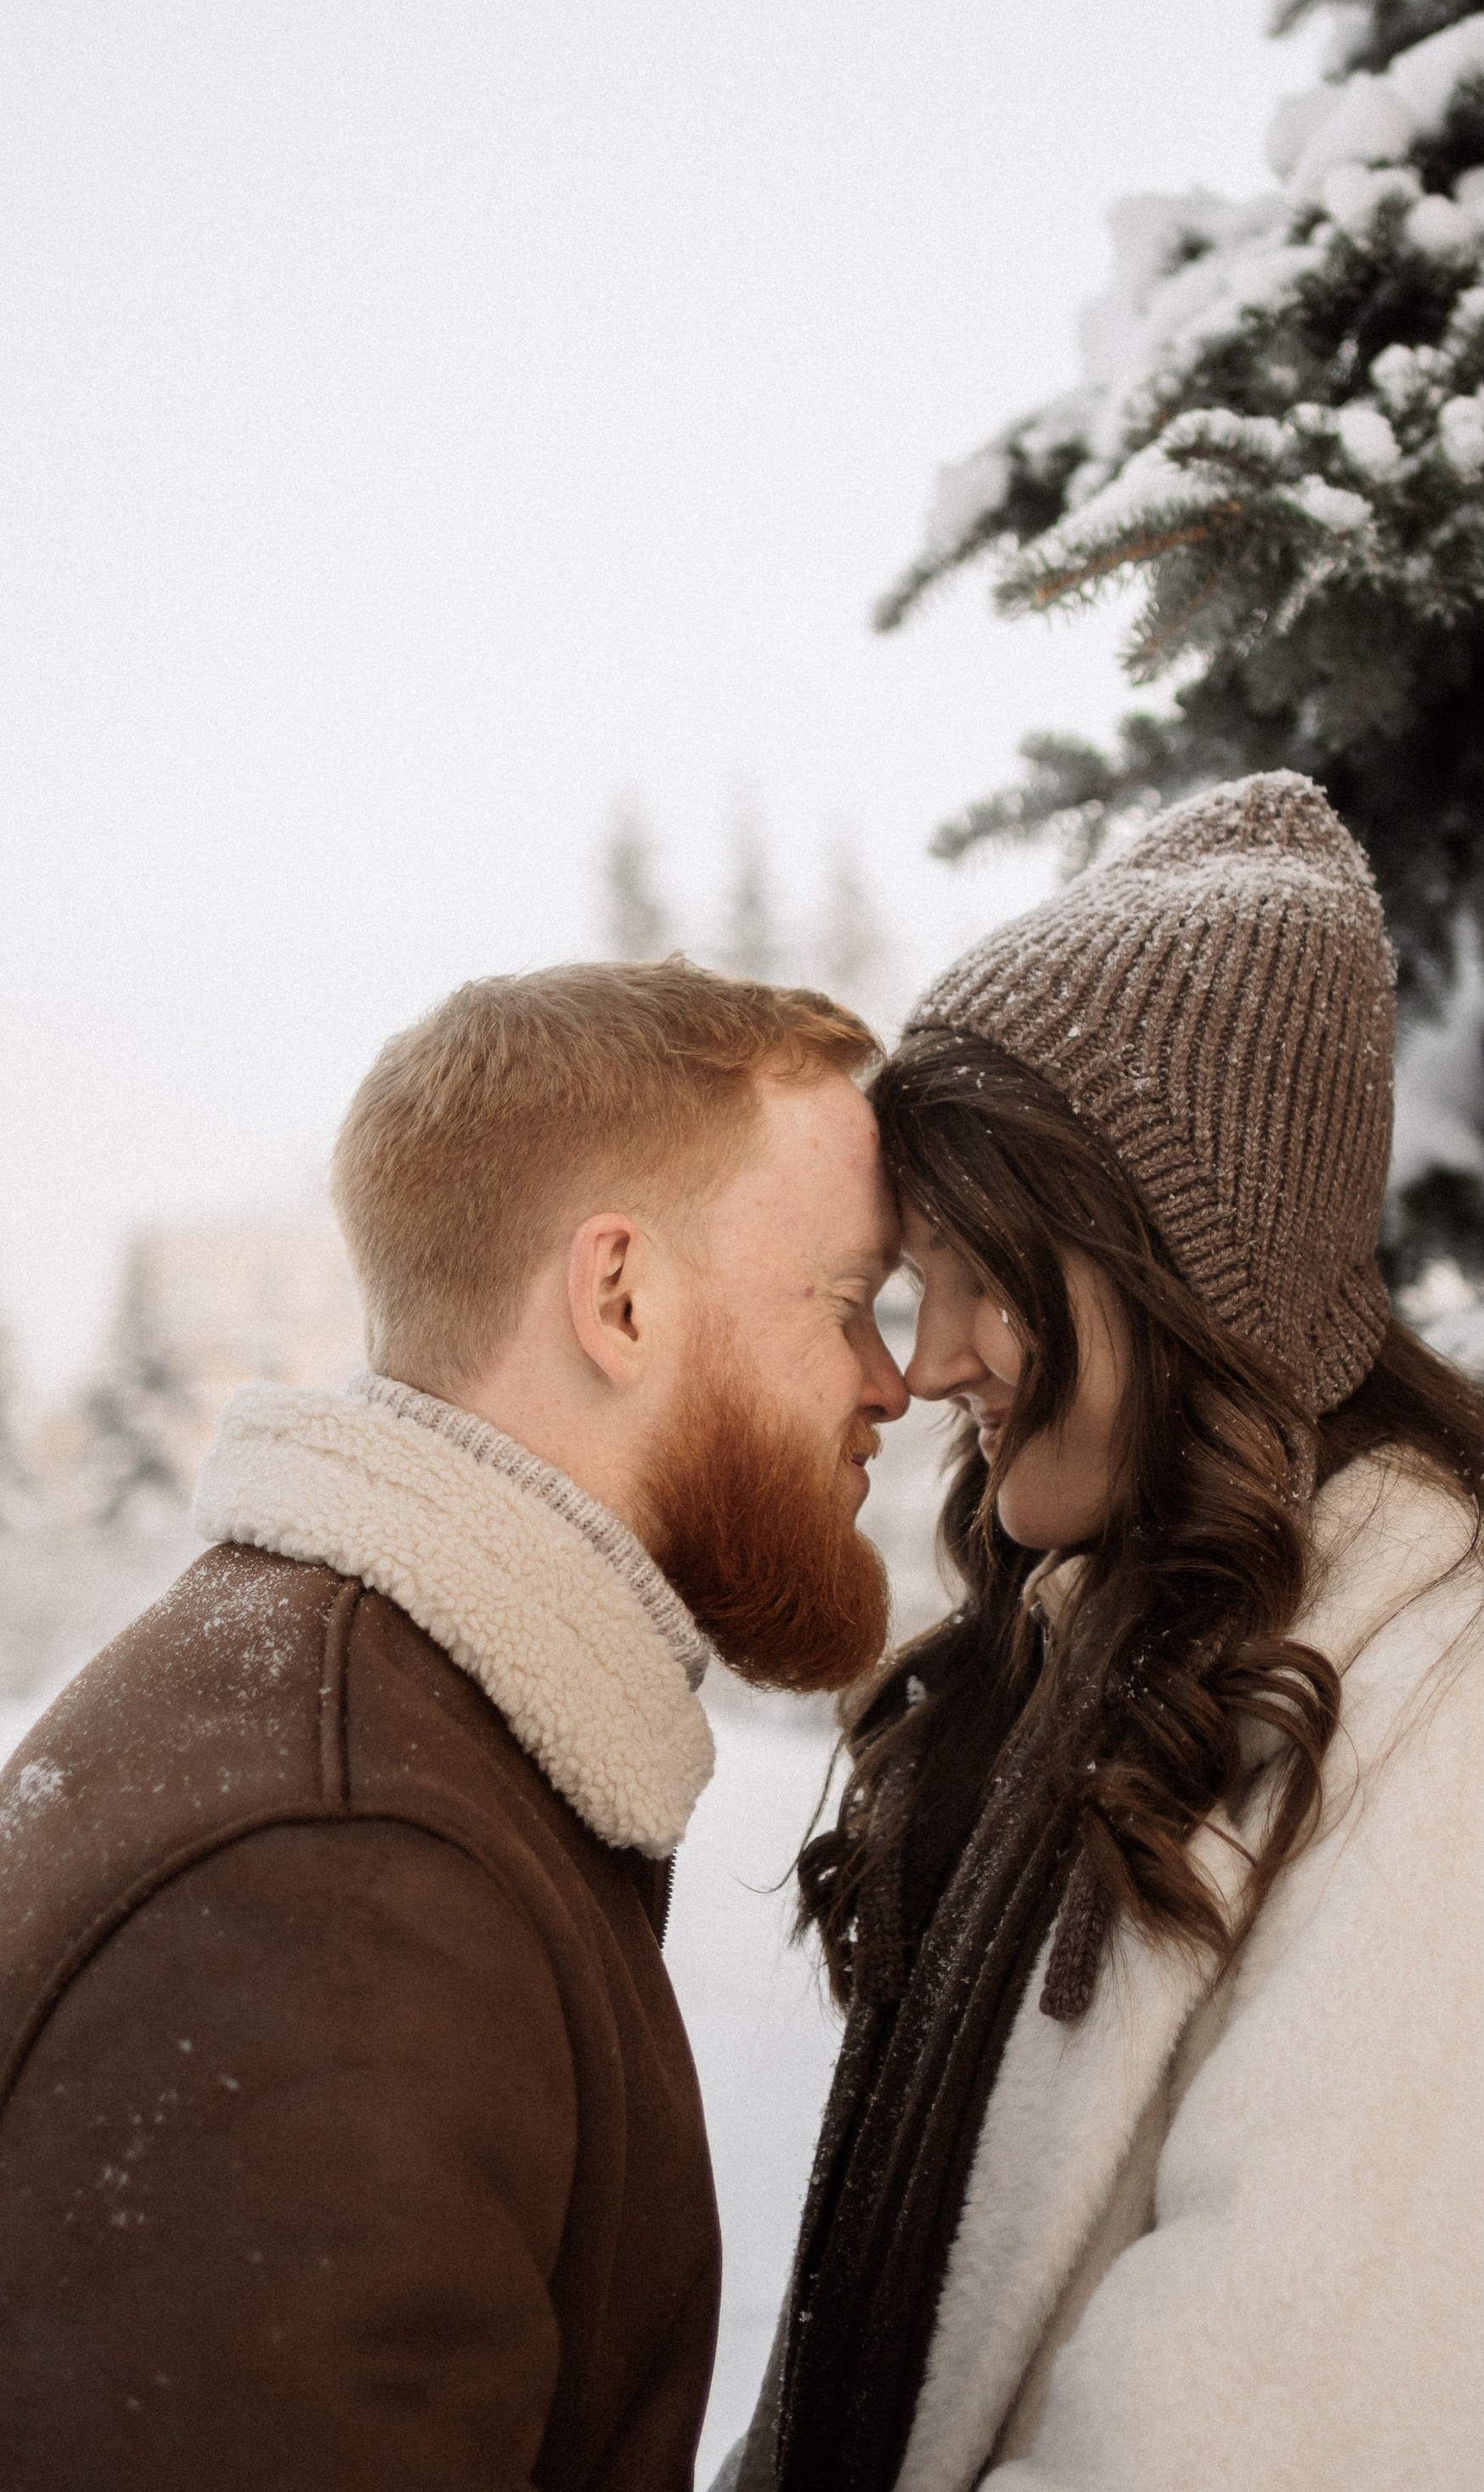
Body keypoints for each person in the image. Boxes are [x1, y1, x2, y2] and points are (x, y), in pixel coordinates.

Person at [734, 774, 1484, 2492]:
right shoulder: (1099, 1652)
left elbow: (1297, 2432)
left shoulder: (1445, 1714)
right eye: (920, 1277)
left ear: (1183, 1281)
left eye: (989, 1277)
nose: (930, 1360)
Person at [0, 959, 908, 2491]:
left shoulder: (385, 1745)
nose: (895, 1382)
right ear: (620, 1299)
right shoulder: (334, 1880)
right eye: (846, 1303)